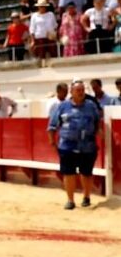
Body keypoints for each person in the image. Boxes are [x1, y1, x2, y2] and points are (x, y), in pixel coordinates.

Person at [48, 80, 100, 209]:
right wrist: (52, 142)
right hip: (67, 145)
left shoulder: (91, 105)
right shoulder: (62, 106)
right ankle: (70, 200)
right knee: (68, 173)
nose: (81, 93)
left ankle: (86, 197)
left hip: (87, 145)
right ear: (71, 92)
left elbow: (97, 122)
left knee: (86, 173)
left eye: (82, 90)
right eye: (78, 90)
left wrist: (99, 133)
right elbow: (52, 126)